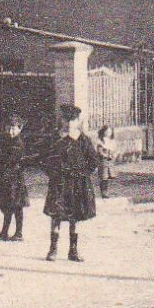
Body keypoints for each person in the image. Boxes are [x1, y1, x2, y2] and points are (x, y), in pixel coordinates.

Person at [42, 104, 99, 262]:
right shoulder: (55, 138)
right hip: (59, 183)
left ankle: (73, 250)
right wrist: (53, 174)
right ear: (61, 119)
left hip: (77, 184)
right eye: (66, 119)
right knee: (56, 215)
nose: (69, 123)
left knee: (75, 216)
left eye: (72, 120)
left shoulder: (83, 140)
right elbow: (45, 159)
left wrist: (82, 175)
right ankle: (53, 249)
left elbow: (93, 161)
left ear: (78, 121)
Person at [0, 115, 29, 242]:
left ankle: (18, 233)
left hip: (15, 178)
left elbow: (8, 159)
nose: (11, 131)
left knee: (16, 205)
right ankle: (4, 232)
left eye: (14, 129)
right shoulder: (8, 141)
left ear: (20, 129)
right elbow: (2, 155)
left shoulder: (18, 143)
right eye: (9, 128)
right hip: (7, 177)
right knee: (7, 205)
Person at [95, 125, 117, 198]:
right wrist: (106, 155)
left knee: (107, 177)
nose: (108, 133)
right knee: (103, 177)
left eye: (110, 131)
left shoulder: (111, 141)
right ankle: (103, 193)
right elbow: (100, 151)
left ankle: (106, 191)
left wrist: (114, 155)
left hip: (110, 161)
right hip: (103, 161)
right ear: (103, 132)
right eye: (107, 131)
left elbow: (115, 150)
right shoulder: (100, 140)